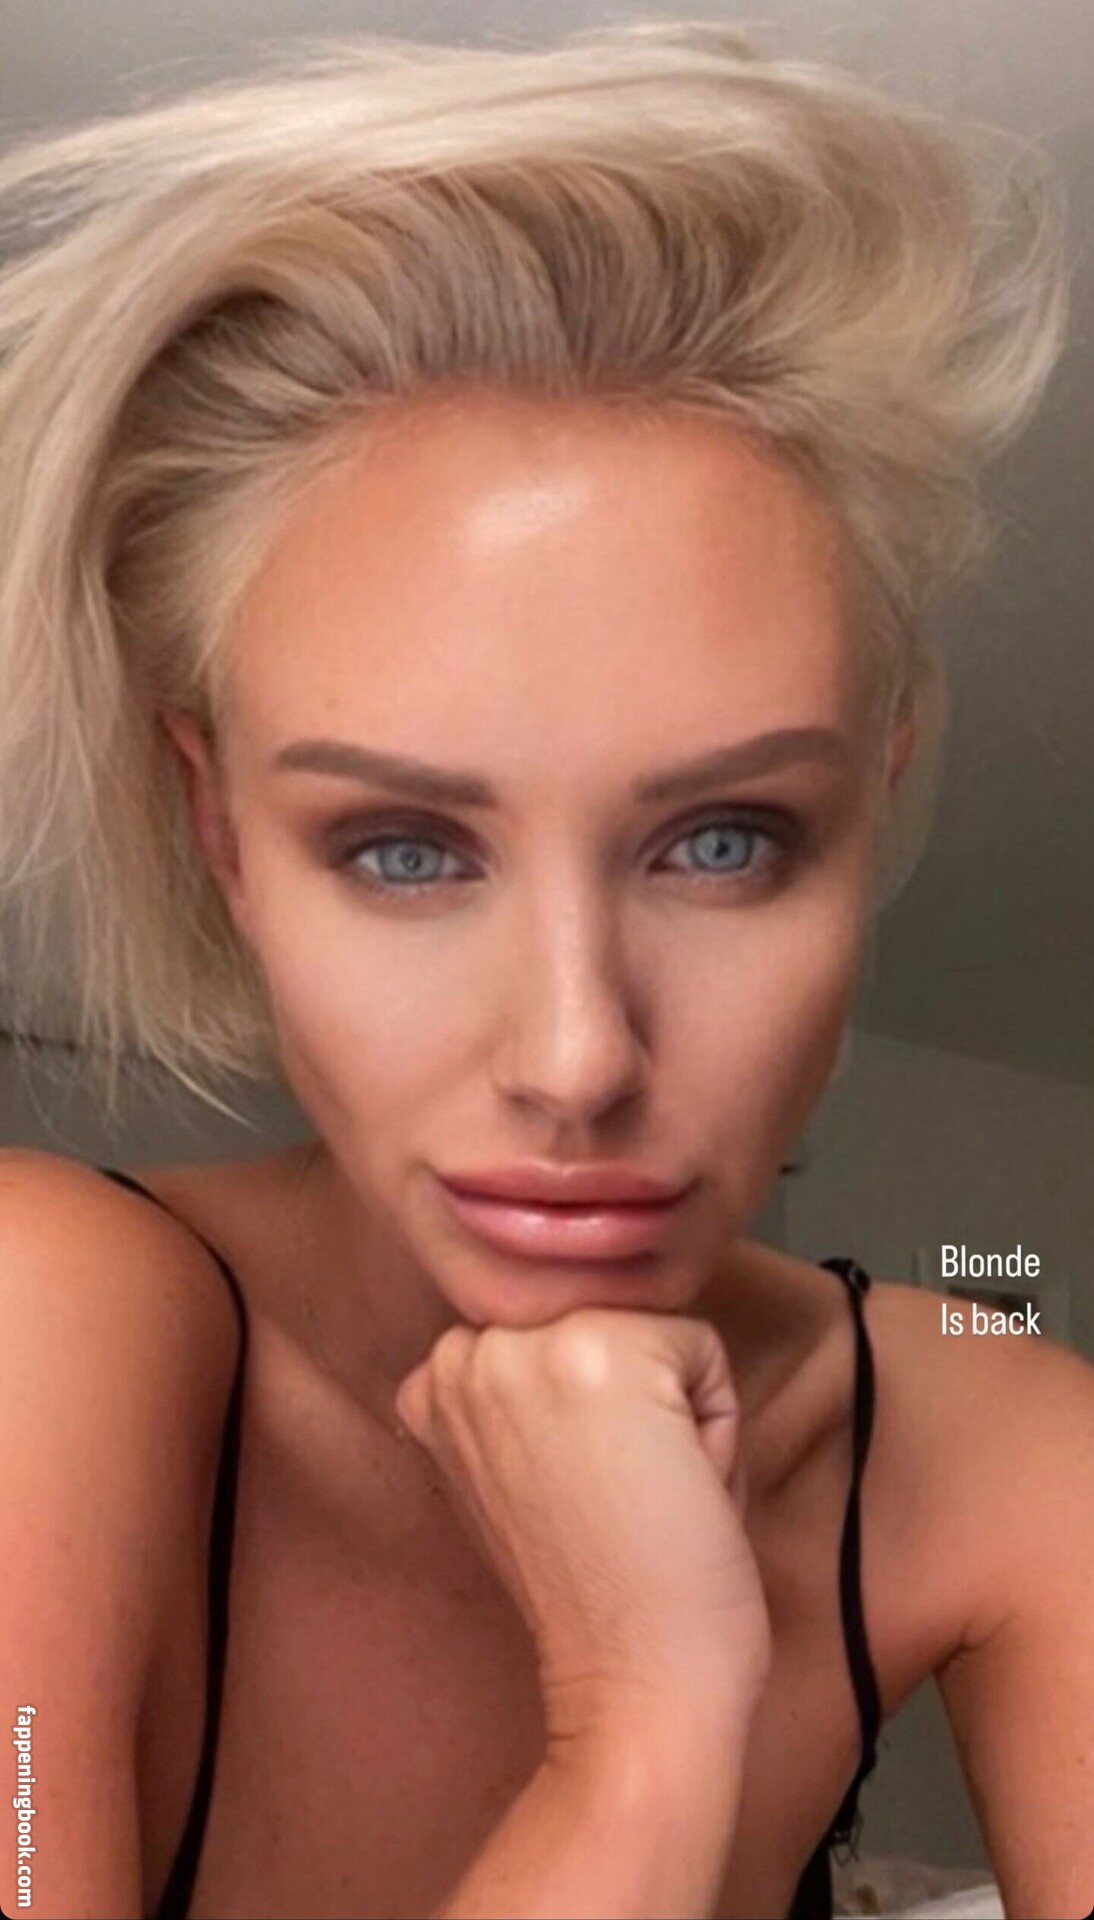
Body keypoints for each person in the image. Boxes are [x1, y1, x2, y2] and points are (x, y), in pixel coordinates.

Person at [0, 17, 1090, 1919]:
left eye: (725, 840)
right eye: (401, 849)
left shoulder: (988, 1423)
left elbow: (1000, 1338)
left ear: (874, 795)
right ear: (218, 827)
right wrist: (645, 1719)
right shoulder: (47, 1316)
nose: (577, 1057)